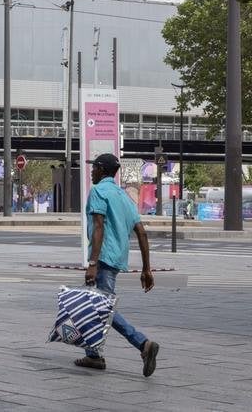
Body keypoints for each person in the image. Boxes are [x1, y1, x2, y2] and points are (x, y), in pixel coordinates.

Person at [74, 153, 160, 377]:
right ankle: (93, 355)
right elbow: (141, 233)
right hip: (116, 260)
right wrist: (146, 269)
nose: (92, 172)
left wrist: (92, 262)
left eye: (94, 168)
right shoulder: (123, 197)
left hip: (102, 259)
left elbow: (99, 227)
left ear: (102, 169)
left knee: (104, 307)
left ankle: (143, 344)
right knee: (95, 306)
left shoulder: (98, 192)